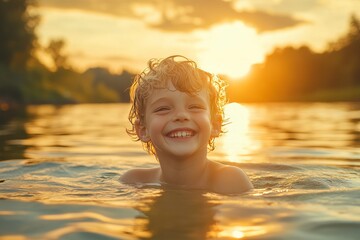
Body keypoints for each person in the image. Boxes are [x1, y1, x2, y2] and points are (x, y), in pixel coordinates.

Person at [120, 55, 253, 194]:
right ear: (143, 130)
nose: (181, 116)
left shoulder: (230, 180)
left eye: (195, 106)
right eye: (163, 109)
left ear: (214, 125)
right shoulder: (134, 182)